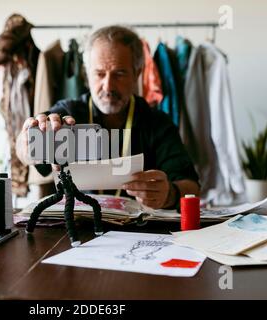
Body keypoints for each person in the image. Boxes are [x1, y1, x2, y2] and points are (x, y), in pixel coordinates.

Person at [16, 25, 199, 209]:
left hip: (138, 229)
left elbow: (192, 187)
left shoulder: (157, 122)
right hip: (81, 226)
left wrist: (169, 194)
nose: (108, 86)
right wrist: (27, 143)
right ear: (87, 73)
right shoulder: (69, 112)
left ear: (137, 73)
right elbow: (25, 147)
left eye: (119, 74)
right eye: (99, 74)